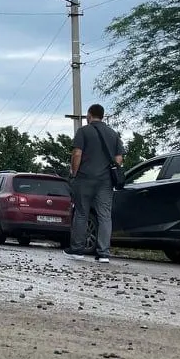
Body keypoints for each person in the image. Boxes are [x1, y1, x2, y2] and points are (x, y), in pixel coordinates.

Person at [66, 103, 124, 263]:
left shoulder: (83, 131)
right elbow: (119, 158)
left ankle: (77, 250)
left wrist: (74, 172)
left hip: (84, 178)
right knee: (105, 216)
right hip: (105, 182)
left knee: (82, 213)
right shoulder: (113, 134)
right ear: (103, 116)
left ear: (89, 116)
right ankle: (104, 253)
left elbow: (77, 153)